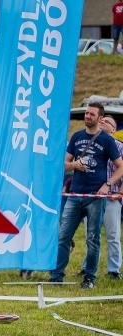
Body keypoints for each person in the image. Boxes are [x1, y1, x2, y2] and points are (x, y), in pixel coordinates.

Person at [49, 103, 123, 289]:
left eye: (91, 114)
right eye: (86, 113)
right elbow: (64, 164)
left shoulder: (107, 140)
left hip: (96, 197)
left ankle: (89, 278)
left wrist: (108, 185)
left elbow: (121, 166)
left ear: (100, 118)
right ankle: (57, 276)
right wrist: (75, 165)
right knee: (64, 236)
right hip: (75, 193)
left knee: (93, 238)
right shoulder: (77, 137)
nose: (87, 116)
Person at [80, 116, 123, 279]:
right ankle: (87, 267)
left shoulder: (120, 148)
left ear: (114, 129)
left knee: (113, 235)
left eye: (107, 122)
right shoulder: (90, 146)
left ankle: (114, 269)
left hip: (111, 199)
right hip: (91, 198)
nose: (102, 122)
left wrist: (120, 192)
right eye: (101, 120)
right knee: (91, 235)